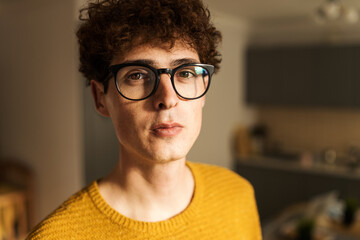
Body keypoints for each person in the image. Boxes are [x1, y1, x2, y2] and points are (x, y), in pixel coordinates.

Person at [27, 0, 262, 239]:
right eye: (137, 75)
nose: (167, 98)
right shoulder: (55, 236)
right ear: (100, 98)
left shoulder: (238, 195)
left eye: (185, 73)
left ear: (202, 89)